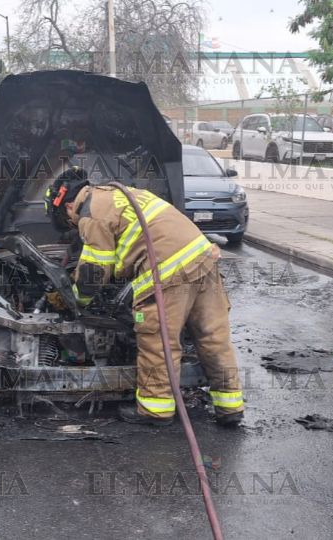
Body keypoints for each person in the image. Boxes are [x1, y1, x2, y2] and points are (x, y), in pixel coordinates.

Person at [44, 168, 244, 427]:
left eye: (68, 219)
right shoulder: (123, 194)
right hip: (204, 260)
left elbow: (94, 271)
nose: (72, 224)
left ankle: (155, 410)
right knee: (212, 337)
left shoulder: (91, 212)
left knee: (158, 340)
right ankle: (230, 408)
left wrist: (75, 301)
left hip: (168, 272)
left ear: (69, 205)